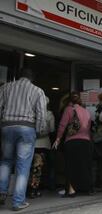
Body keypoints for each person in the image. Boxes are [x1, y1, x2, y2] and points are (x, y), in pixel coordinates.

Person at [0, 68, 47, 211]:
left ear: (18, 76)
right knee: (23, 165)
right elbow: (41, 114)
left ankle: (1, 193)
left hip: (7, 126)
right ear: (31, 78)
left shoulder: (5, 87)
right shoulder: (37, 91)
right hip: (27, 128)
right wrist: (38, 131)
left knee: (6, 161)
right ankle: (18, 202)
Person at [53, 92, 93, 197]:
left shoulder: (68, 110)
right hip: (86, 141)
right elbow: (88, 127)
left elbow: (62, 125)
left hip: (72, 141)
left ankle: (71, 190)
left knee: (70, 166)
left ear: (69, 101)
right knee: (84, 166)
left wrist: (58, 139)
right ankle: (85, 189)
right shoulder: (86, 111)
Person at [27, 97, 55, 199]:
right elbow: (52, 129)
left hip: (30, 144)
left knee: (28, 167)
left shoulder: (31, 114)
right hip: (44, 145)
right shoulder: (49, 114)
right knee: (38, 169)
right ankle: (35, 190)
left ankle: (26, 188)